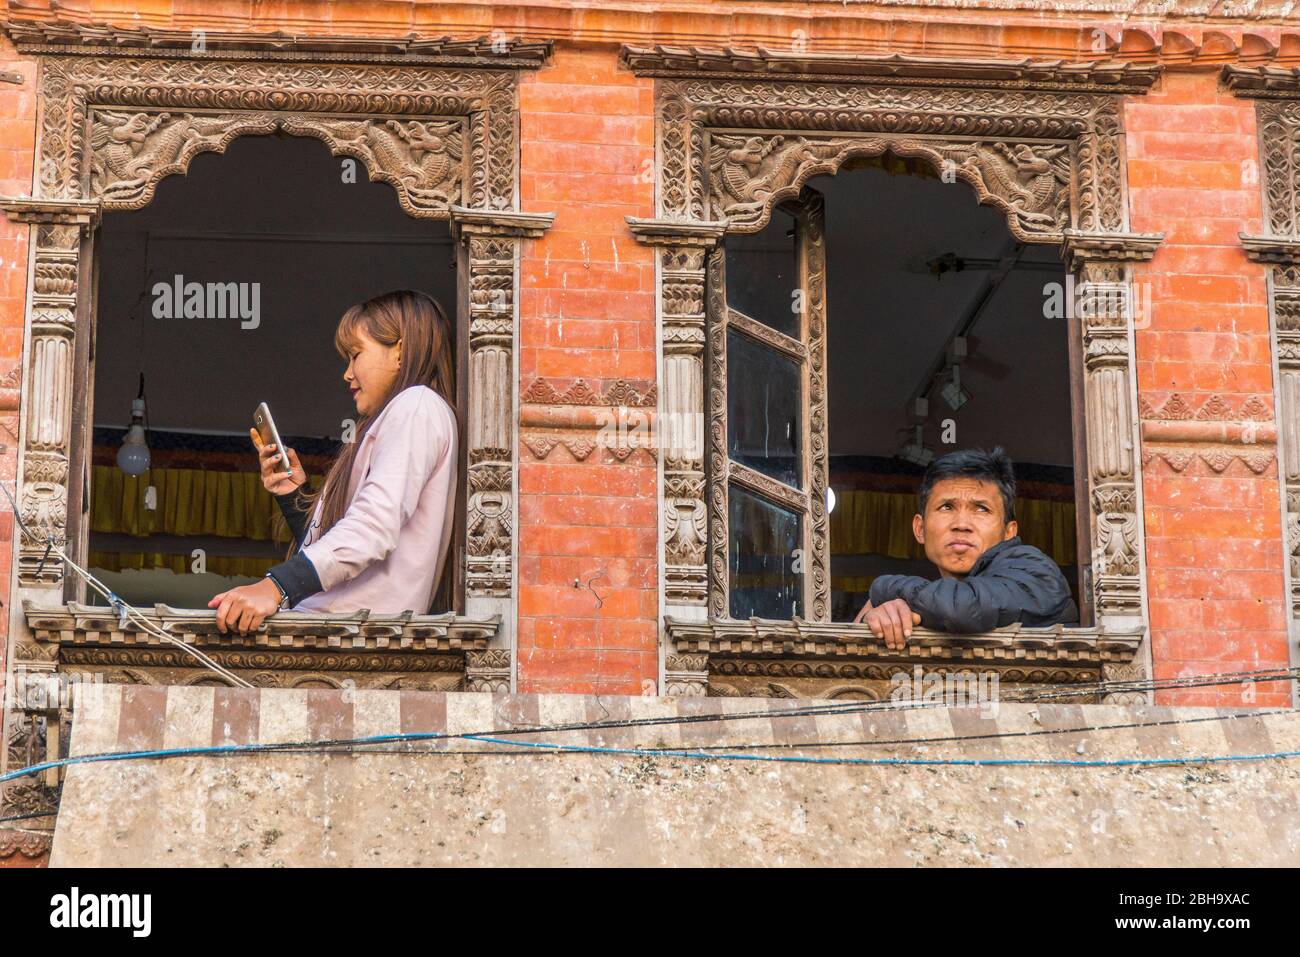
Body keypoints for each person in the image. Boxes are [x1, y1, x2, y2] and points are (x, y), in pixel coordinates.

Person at [208, 289, 459, 634]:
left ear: (400, 350)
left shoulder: (417, 405)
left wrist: (275, 587)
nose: (348, 373)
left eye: (356, 355)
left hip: (347, 634)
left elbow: (372, 528)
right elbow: (342, 556)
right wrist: (295, 497)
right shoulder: (405, 415)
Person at [853, 446, 1078, 648]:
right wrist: (884, 617)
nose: (961, 524)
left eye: (981, 509)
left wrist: (883, 589)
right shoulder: (933, 604)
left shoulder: (1035, 569)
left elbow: (961, 608)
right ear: (920, 529)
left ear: (1009, 532)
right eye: (947, 506)